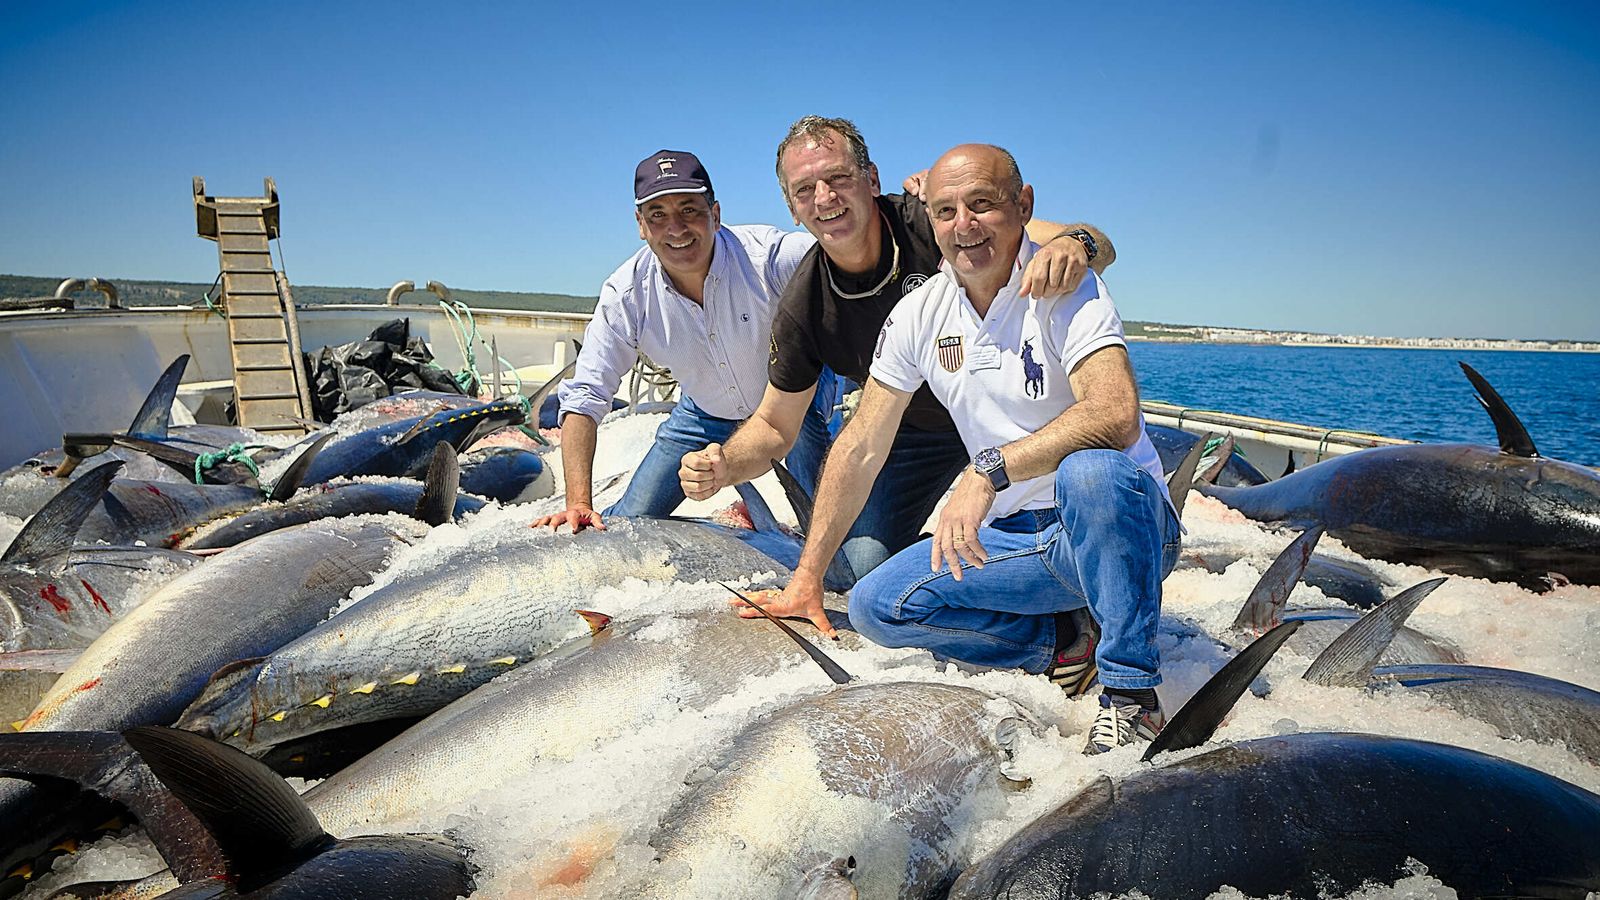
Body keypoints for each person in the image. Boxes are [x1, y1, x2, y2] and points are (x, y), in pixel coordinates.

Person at [742, 144, 1181, 754]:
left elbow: (1116, 415)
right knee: (876, 605)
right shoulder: (920, 312)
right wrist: (809, 576)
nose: (964, 226)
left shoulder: (1063, 283)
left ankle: (1131, 692)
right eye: (946, 211)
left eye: (983, 205)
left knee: (1091, 473)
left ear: (1022, 206)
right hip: (1025, 542)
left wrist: (988, 472)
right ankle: (1064, 644)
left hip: (1122, 530)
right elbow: (863, 442)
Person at [679, 116, 1115, 582]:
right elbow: (774, 425)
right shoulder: (805, 304)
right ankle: (956, 567)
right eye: (805, 189)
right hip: (916, 433)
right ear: (792, 208)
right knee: (858, 568)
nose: (825, 198)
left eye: (839, 178)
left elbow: (1098, 245)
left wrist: (1074, 243)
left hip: (1013, 414)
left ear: (872, 180)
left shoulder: (940, 217)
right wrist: (724, 464)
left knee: (1079, 501)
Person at [533, 150, 833, 532]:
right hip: (704, 410)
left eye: (689, 209)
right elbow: (585, 395)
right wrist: (578, 501)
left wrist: (917, 208)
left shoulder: (768, 257)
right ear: (641, 225)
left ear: (716, 214)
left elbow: (849, 251)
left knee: (833, 537)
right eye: (657, 215)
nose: (676, 228)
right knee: (628, 522)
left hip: (792, 400)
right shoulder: (627, 295)